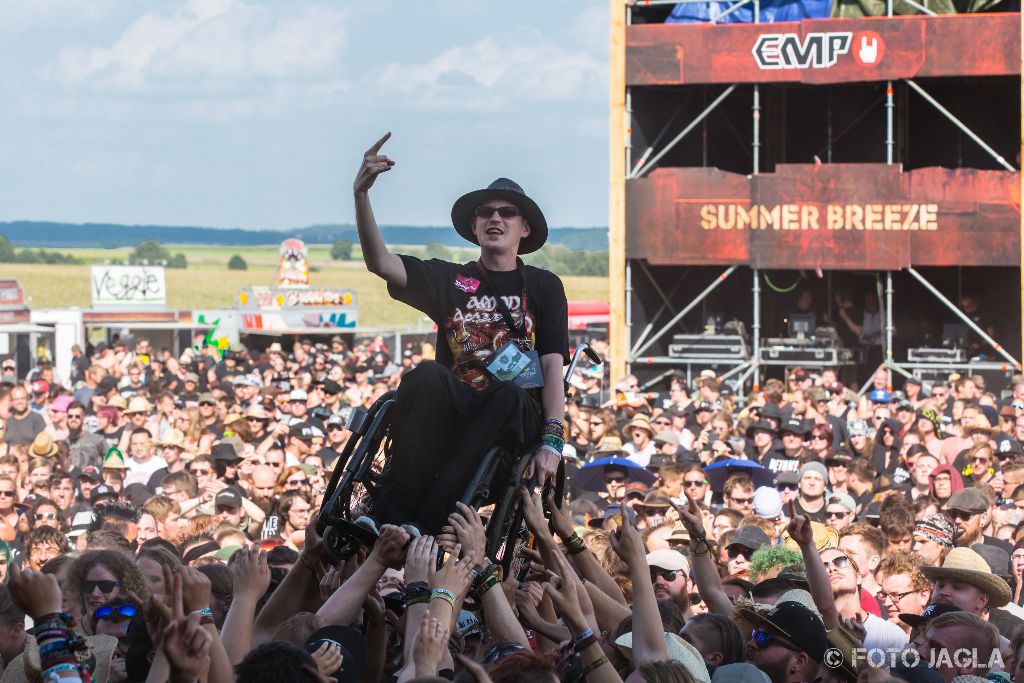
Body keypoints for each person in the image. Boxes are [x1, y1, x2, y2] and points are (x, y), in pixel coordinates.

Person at [352, 134, 568, 536]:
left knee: (506, 394)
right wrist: (361, 195)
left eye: (507, 212)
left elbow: (552, 363)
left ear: (524, 228)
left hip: (513, 410)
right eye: (486, 211)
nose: (495, 218)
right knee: (424, 375)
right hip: (457, 403)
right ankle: (386, 515)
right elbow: (380, 262)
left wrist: (553, 439)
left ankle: (428, 522)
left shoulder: (544, 286)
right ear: (474, 225)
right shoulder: (451, 279)